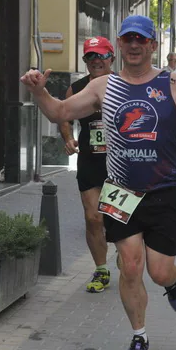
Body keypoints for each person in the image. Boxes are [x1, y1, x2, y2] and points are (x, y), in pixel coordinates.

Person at [20, 15, 176, 350]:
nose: (135, 45)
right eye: (128, 39)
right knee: (129, 266)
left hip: (164, 192)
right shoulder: (102, 86)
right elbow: (59, 112)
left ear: (153, 45)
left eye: (142, 39)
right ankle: (139, 336)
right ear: (120, 45)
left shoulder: (173, 82)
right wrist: (38, 92)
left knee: (157, 271)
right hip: (120, 191)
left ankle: (171, 282)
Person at [59, 36, 115, 293]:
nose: (96, 61)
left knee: (118, 219)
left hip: (120, 164)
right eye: (90, 57)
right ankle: (101, 269)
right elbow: (63, 114)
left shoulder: (123, 84)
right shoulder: (78, 88)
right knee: (93, 218)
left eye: (101, 55)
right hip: (90, 161)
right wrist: (68, 137)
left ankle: (128, 259)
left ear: (111, 58)